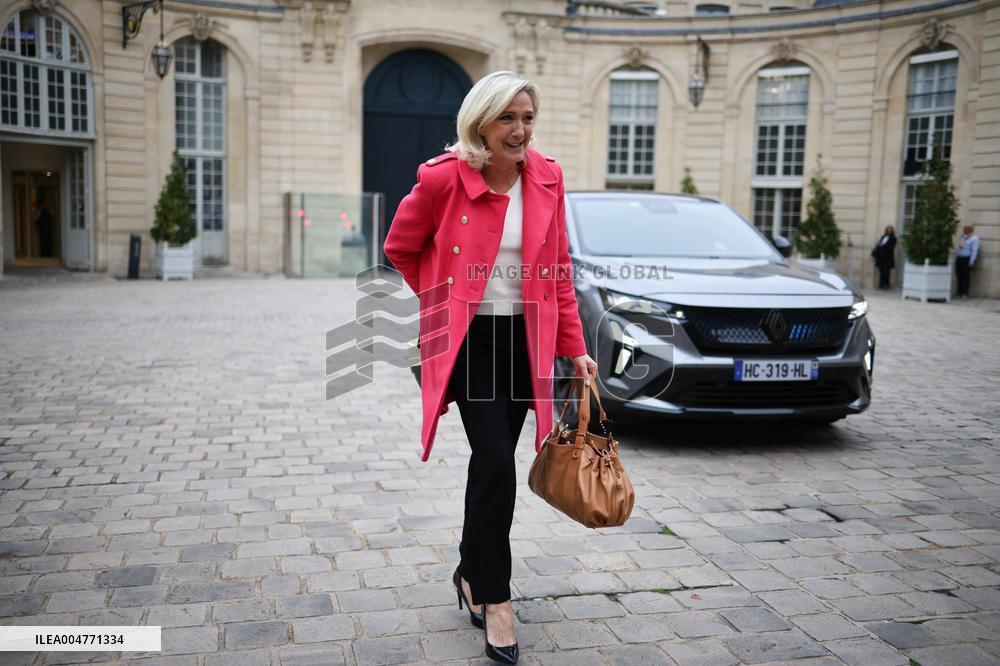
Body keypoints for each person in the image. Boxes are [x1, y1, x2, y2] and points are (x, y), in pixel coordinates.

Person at [383, 71, 597, 665]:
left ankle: (470, 571)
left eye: (528, 117)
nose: (521, 130)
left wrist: (573, 347)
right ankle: (497, 601)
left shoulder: (548, 177)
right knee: (498, 460)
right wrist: (442, 298)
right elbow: (400, 247)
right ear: (480, 122)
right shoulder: (443, 178)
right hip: (470, 341)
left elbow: (559, 271)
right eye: (508, 118)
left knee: (492, 464)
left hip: (527, 340)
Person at [955, 224, 980, 298]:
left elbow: (974, 250)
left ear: (970, 230)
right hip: (959, 258)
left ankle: (964, 293)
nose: (964, 230)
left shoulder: (974, 238)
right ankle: (959, 293)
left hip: (967, 259)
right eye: (964, 228)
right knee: (959, 276)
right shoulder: (963, 236)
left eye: (965, 228)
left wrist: (972, 261)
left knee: (966, 277)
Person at [871, 225, 897, 290]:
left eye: (890, 230)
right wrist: (878, 244)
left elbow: (891, 247)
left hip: (888, 258)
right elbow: (879, 245)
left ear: (892, 231)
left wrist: (882, 245)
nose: (889, 231)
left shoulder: (894, 238)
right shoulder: (883, 237)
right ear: (886, 230)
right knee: (881, 272)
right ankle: (881, 285)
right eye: (888, 230)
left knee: (886, 272)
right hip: (881, 257)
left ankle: (886, 285)